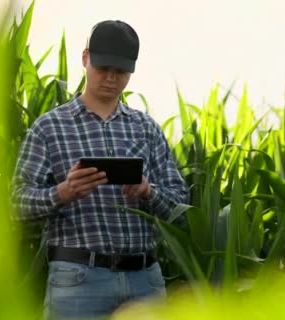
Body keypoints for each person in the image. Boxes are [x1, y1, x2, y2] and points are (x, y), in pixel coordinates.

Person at [11, 19, 188, 319]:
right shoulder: (49, 128)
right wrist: (62, 192)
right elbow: (16, 203)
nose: (110, 78)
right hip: (77, 281)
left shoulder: (146, 129)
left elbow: (181, 209)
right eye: (102, 68)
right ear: (85, 59)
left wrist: (148, 191)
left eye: (120, 72)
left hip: (144, 281)